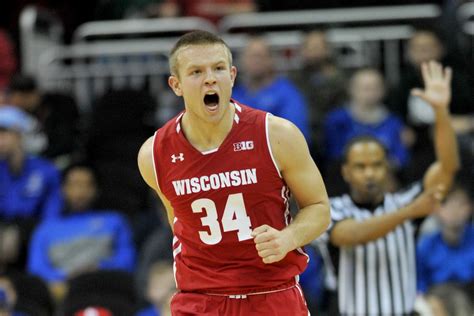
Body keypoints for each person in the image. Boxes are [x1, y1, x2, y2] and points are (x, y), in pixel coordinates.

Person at [137, 30, 330, 315]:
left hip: (271, 292)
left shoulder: (276, 134)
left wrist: (288, 238)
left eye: (218, 68)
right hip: (200, 299)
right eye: (196, 72)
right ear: (176, 85)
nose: (210, 78)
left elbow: (319, 209)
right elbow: (177, 222)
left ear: (233, 74)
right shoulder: (153, 154)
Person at [326, 61, 460, 315]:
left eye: (376, 165)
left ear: (387, 167)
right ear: (346, 171)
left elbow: (447, 168)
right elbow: (350, 235)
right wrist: (408, 213)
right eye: (360, 166)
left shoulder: (407, 199)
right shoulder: (332, 209)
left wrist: (441, 112)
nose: (369, 173)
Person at [27, 164, 135, 298]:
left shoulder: (114, 221)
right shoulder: (46, 228)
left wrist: (99, 268)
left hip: (106, 288)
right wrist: (66, 276)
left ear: (96, 190)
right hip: (63, 294)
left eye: (86, 185)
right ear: (63, 189)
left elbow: (127, 261)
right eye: (74, 184)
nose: (80, 192)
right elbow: (36, 269)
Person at [231, 36, 311, 143]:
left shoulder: (287, 93)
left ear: (270, 60)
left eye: (259, 56)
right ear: (242, 60)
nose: (255, 61)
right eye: (250, 56)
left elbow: (296, 135)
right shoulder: (235, 94)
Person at [416, 179, 474, 294]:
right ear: (436, 209)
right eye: (447, 204)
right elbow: (419, 287)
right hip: (436, 303)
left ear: (471, 208)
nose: (454, 210)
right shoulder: (426, 246)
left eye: (461, 204)